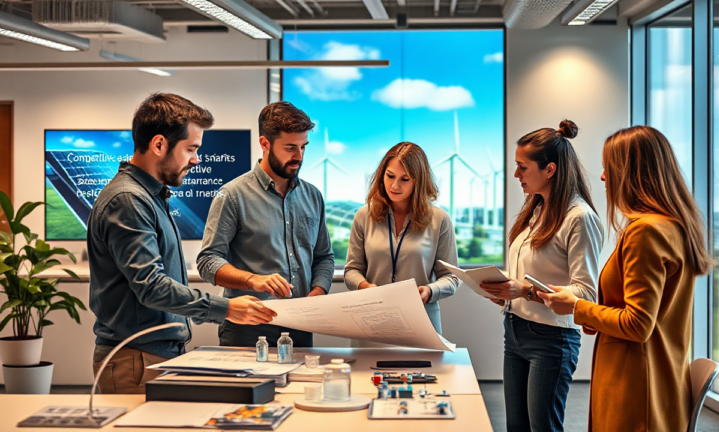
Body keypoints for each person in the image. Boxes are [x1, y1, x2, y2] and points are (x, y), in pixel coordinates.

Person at [88, 93, 272, 394]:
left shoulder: (149, 197)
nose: (197, 159)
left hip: (153, 356)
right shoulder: (128, 201)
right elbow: (151, 286)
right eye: (191, 149)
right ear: (159, 145)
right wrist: (225, 308)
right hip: (135, 360)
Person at [540, 126, 713, 432]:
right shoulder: (672, 227)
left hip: (635, 392)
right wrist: (590, 316)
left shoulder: (644, 232)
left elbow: (637, 324)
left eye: (609, 167)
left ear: (631, 172)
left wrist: (577, 306)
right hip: (658, 384)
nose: (603, 177)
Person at [480, 120, 603, 432]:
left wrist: (525, 292)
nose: (515, 175)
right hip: (516, 330)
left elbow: (585, 294)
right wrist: (507, 289)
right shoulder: (536, 209)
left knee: (543, 428)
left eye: (522, 167)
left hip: (552, 338)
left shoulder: (579, 218)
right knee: (517, 427)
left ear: (549, 169)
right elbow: (529, 274)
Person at [197, 101, 334, 348]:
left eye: (303, 147)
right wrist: (253, 280)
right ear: (265, 144)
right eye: (290, 147)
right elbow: (208, 262)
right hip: (247, 328)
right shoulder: (231, 195)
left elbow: (324, 257)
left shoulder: (313, 196)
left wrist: (319, 291)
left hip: (301, 326)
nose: (299, 157)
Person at [344, 142, 459, 335]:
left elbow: (452, 278)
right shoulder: (364, 216)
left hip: (421, 323)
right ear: (382, 175)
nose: (395, 185)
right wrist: (364, 286)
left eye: (405, 179)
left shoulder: (440, 220)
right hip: (371, 321)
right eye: (390, 176)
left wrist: (430, 291)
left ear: (418, 182)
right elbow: (351, 270)